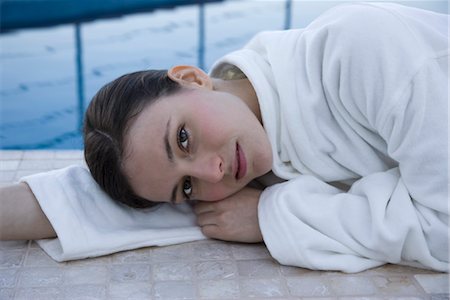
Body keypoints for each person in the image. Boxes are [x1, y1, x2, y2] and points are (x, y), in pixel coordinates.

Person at [0, 2, 448, 272]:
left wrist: (274, 217)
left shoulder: (359, 51)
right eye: (187, 188)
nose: (212, 173)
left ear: (192, 78)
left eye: (182, 140)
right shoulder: (244, 154)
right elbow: (87, 204)